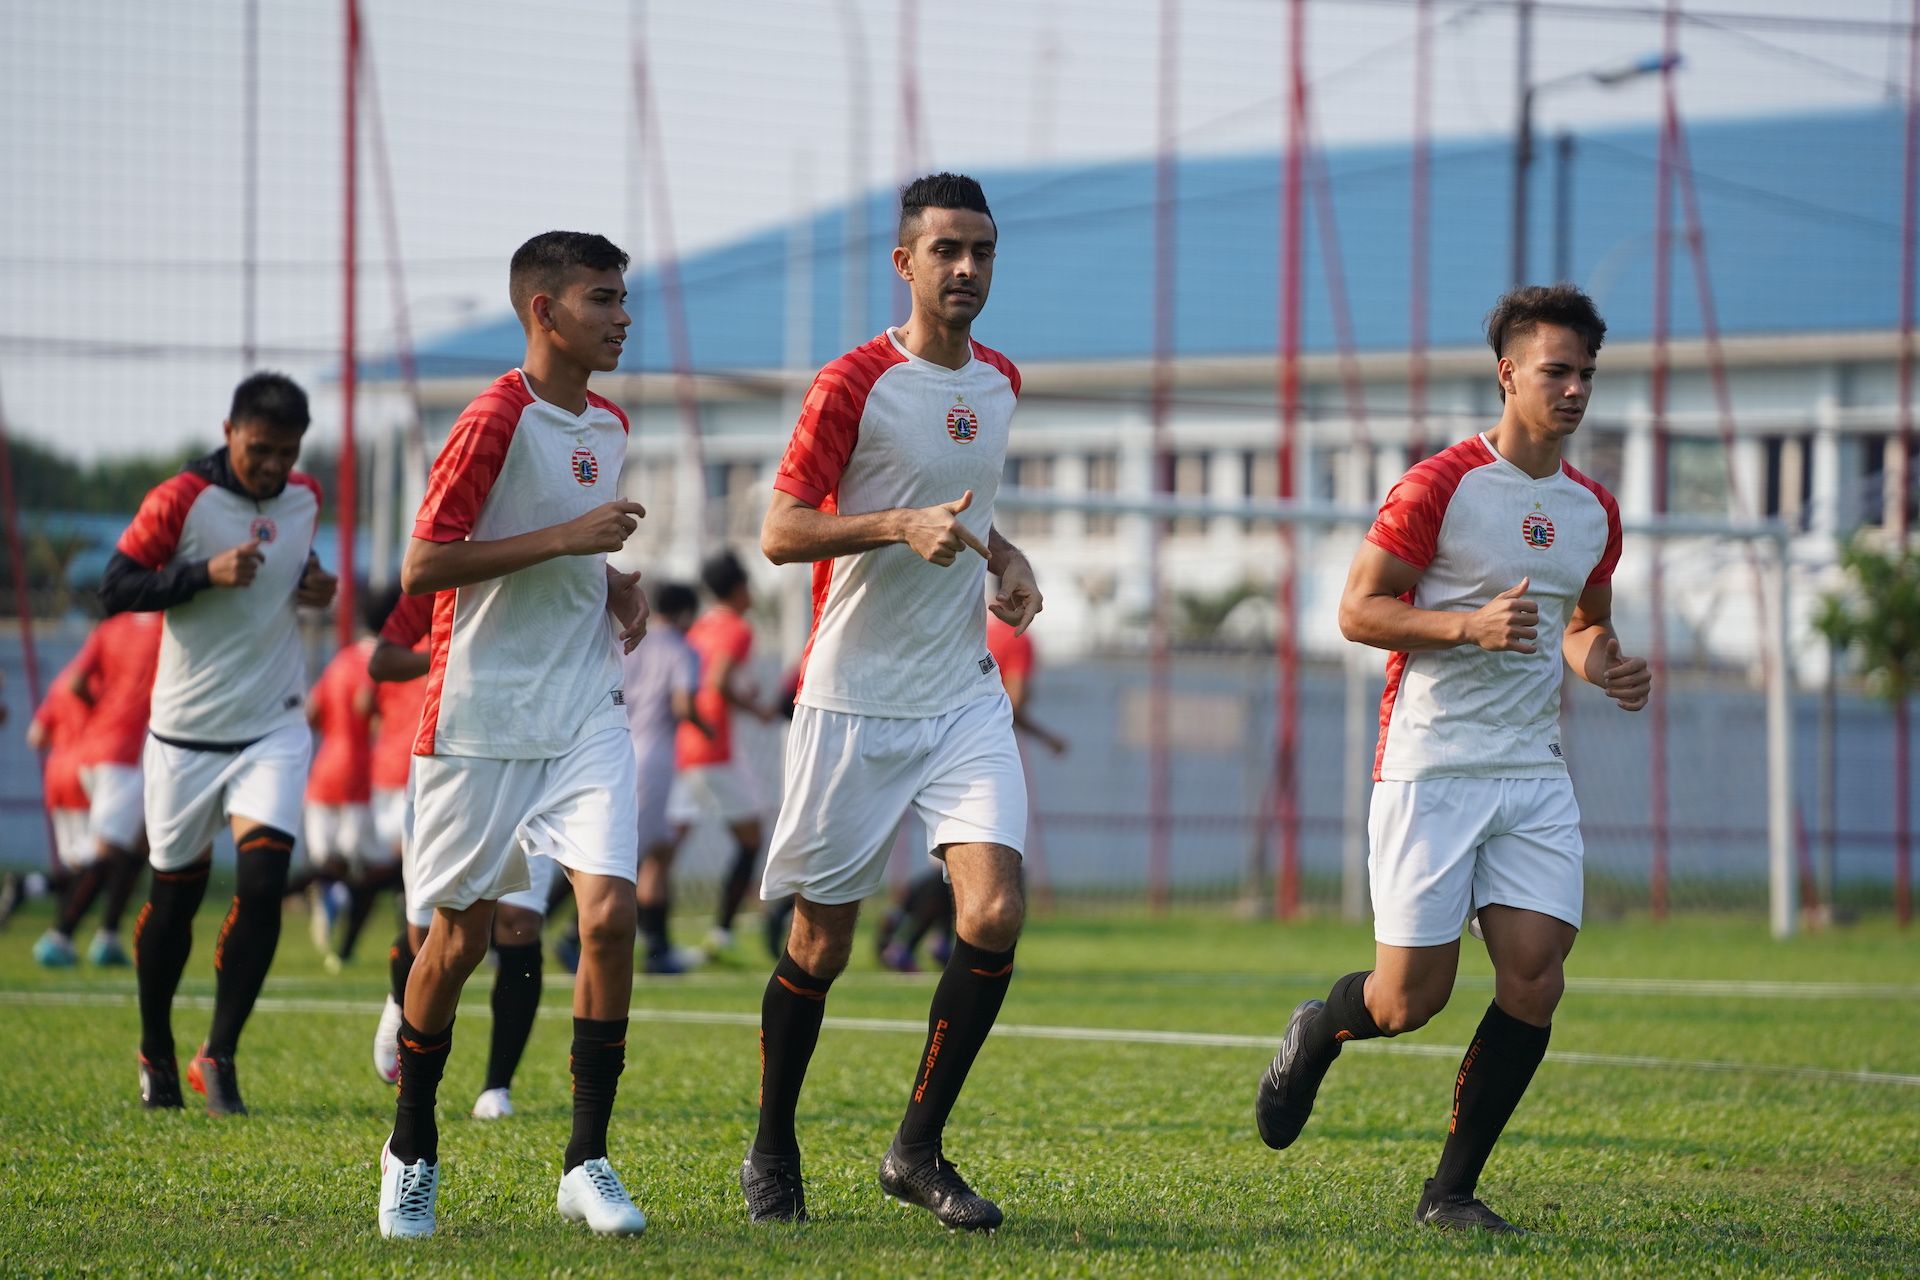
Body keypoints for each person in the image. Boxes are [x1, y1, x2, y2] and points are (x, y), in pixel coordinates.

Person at [1253, 284, 1652, 1234]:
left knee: (1535, 974)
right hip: (1430, 764)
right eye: (1557, 371)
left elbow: (1581, 624)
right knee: (1408, 1000)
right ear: (1509, 373)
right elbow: (1358, 611)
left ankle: (1452, 1193)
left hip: (1530, 768)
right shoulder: (1439, 485)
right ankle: (1321, 1027)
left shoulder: (1594, 510)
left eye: (1587, 374)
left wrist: (1607, 666)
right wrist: (1464, 626)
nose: (1574, 390)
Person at [741, 173, 1043, 1232]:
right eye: (947, 249)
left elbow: (973, 515)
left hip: (960, 690)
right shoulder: (851, 381)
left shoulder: (1002, 379)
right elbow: (781, 532)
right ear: (905, 262)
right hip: (854, 696)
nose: (967, 269)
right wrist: (891, 526)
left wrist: (1005, 559)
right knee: (819, 944)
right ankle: (773, 1140)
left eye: (984, 251)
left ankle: (916, 1148)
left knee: (995, 910)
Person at [376, 230, 650, 1240]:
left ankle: (587, 1158)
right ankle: (412, 1146)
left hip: (581, 704)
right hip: (480, 715)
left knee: (609, 914)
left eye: (624, 299)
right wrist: (572, 541)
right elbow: (421, 564)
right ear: (545, 310)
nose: (623, 316)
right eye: (604, 298)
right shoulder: (493, 415)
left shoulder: (609, 423)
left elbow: (567, 552)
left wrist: (612, 582)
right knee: (457, 941)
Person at [99, 370, 337, 1114]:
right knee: (175, 901)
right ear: (231, 431)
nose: (273, 466)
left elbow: (294, 562)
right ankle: (156, 1049)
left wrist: (314, 582)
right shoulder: (180, 499)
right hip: (184, 735)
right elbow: (115, 588)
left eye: (286, 452)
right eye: (260, 449)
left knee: (264, 885)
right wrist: (202, 573)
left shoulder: (306, 496)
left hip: (272, 724)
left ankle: (220, 1053)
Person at [875, 606, 1068, 973]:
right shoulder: (1018, 638)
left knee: (951, 862)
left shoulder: (962, 623)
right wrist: (1048, 739)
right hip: (977, 758)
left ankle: (937, 941)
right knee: (982, 865)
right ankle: (906, 935)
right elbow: (1015, 702)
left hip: (924, 747)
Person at [36, 610, 164, 966]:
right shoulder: (169, 627)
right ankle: (59, 935)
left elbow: (78, 682)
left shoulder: (111, 628)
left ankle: (108, 936)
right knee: (107, 850)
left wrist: (108, 711)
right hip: (127, 750)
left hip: (96, 747)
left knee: (141, 843)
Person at [666, 549, 775, 958]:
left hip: (686, 742)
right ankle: (722, 934)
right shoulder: (736, 628)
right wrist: (757, 708)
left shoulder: (700, 627)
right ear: (740, 587)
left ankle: (588, 926)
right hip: (714, 747)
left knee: (662, 844)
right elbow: (719, 679)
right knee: (751, 838)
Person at [621, 580, 709, 973]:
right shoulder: (681, 649)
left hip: (619, 747)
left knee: (655, 849)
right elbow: (683, 702)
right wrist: (706, 729)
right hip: (654, 757)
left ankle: (658, 946)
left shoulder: (633, 642)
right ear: (687, 613)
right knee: (631, 857)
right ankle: (570, 935)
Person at [303, 615, 396, 971]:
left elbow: (312, 712)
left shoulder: (340, 661)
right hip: (361, 772)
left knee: (332, 858)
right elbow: (378, 715)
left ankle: (326, 889)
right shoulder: (386, 663)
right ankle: (334, 895)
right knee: (373, 866)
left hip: (324, 768)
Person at [26, 660, 96, 962]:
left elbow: (35, 737)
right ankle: (60, 937)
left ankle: (28, 888)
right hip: (88, 773)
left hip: (57, 774)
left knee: (78, 863)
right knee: (100, 861)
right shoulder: (102, 682)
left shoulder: (60, 683)